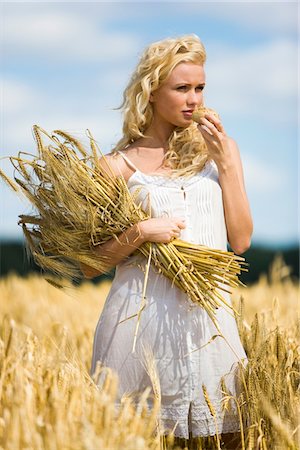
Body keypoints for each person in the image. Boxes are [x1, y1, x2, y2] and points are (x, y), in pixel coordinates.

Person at [81, 34, 253, 446]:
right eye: (181, 88)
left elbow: (242, 240)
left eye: (200, 88)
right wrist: (139, 232)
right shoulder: (115, 168)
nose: (194, 99)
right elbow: (88, 264)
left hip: (210, 324)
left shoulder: (221, 152)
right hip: (141, 326)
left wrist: (226, 165)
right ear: (151, 92)